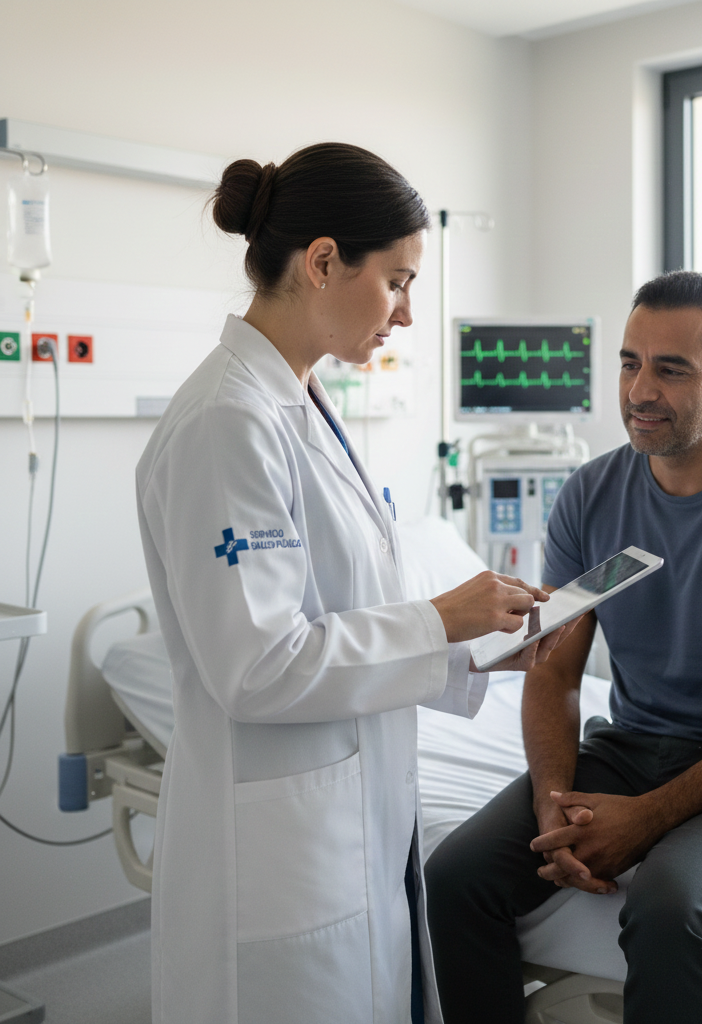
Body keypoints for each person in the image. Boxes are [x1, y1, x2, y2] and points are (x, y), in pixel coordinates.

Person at [136, 143, 571, 1024]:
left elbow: (344, 619)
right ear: (324, 260)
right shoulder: (229, 422)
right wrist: (440, 619)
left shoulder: (301, 403)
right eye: (398, 281)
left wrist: (484, 653)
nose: (407, 314)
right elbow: (258, 666)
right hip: (277, 856)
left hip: (344, 824)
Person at [426, 270, 702, 1024]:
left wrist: (649, 818)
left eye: (671, 368)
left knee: (667, 903)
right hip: (630, 746)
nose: (638, 390)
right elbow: (555, 672)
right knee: (456, 877)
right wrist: (552, 804)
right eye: (629, 362)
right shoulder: (589, 496)